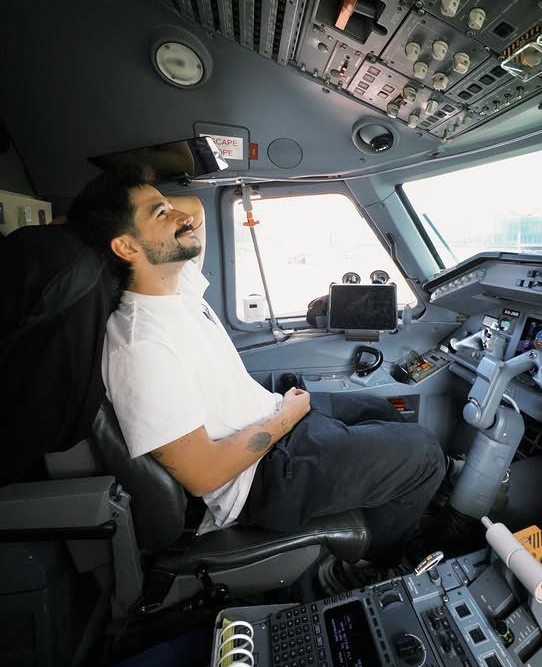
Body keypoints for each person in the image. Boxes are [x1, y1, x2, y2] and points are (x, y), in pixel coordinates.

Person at [68, 166, 446, 563]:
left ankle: (388, 498)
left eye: (167, 207)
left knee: (380, 407)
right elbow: (203, 474)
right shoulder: (139, 345)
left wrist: (142, 203)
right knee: (424, 453)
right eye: (160, 214)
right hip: (258, 479)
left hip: (276, 426)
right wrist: (287, 416)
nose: (181, 219)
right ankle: (379, 561)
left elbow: (194, 208)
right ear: (126, 248)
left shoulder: (174, 288)